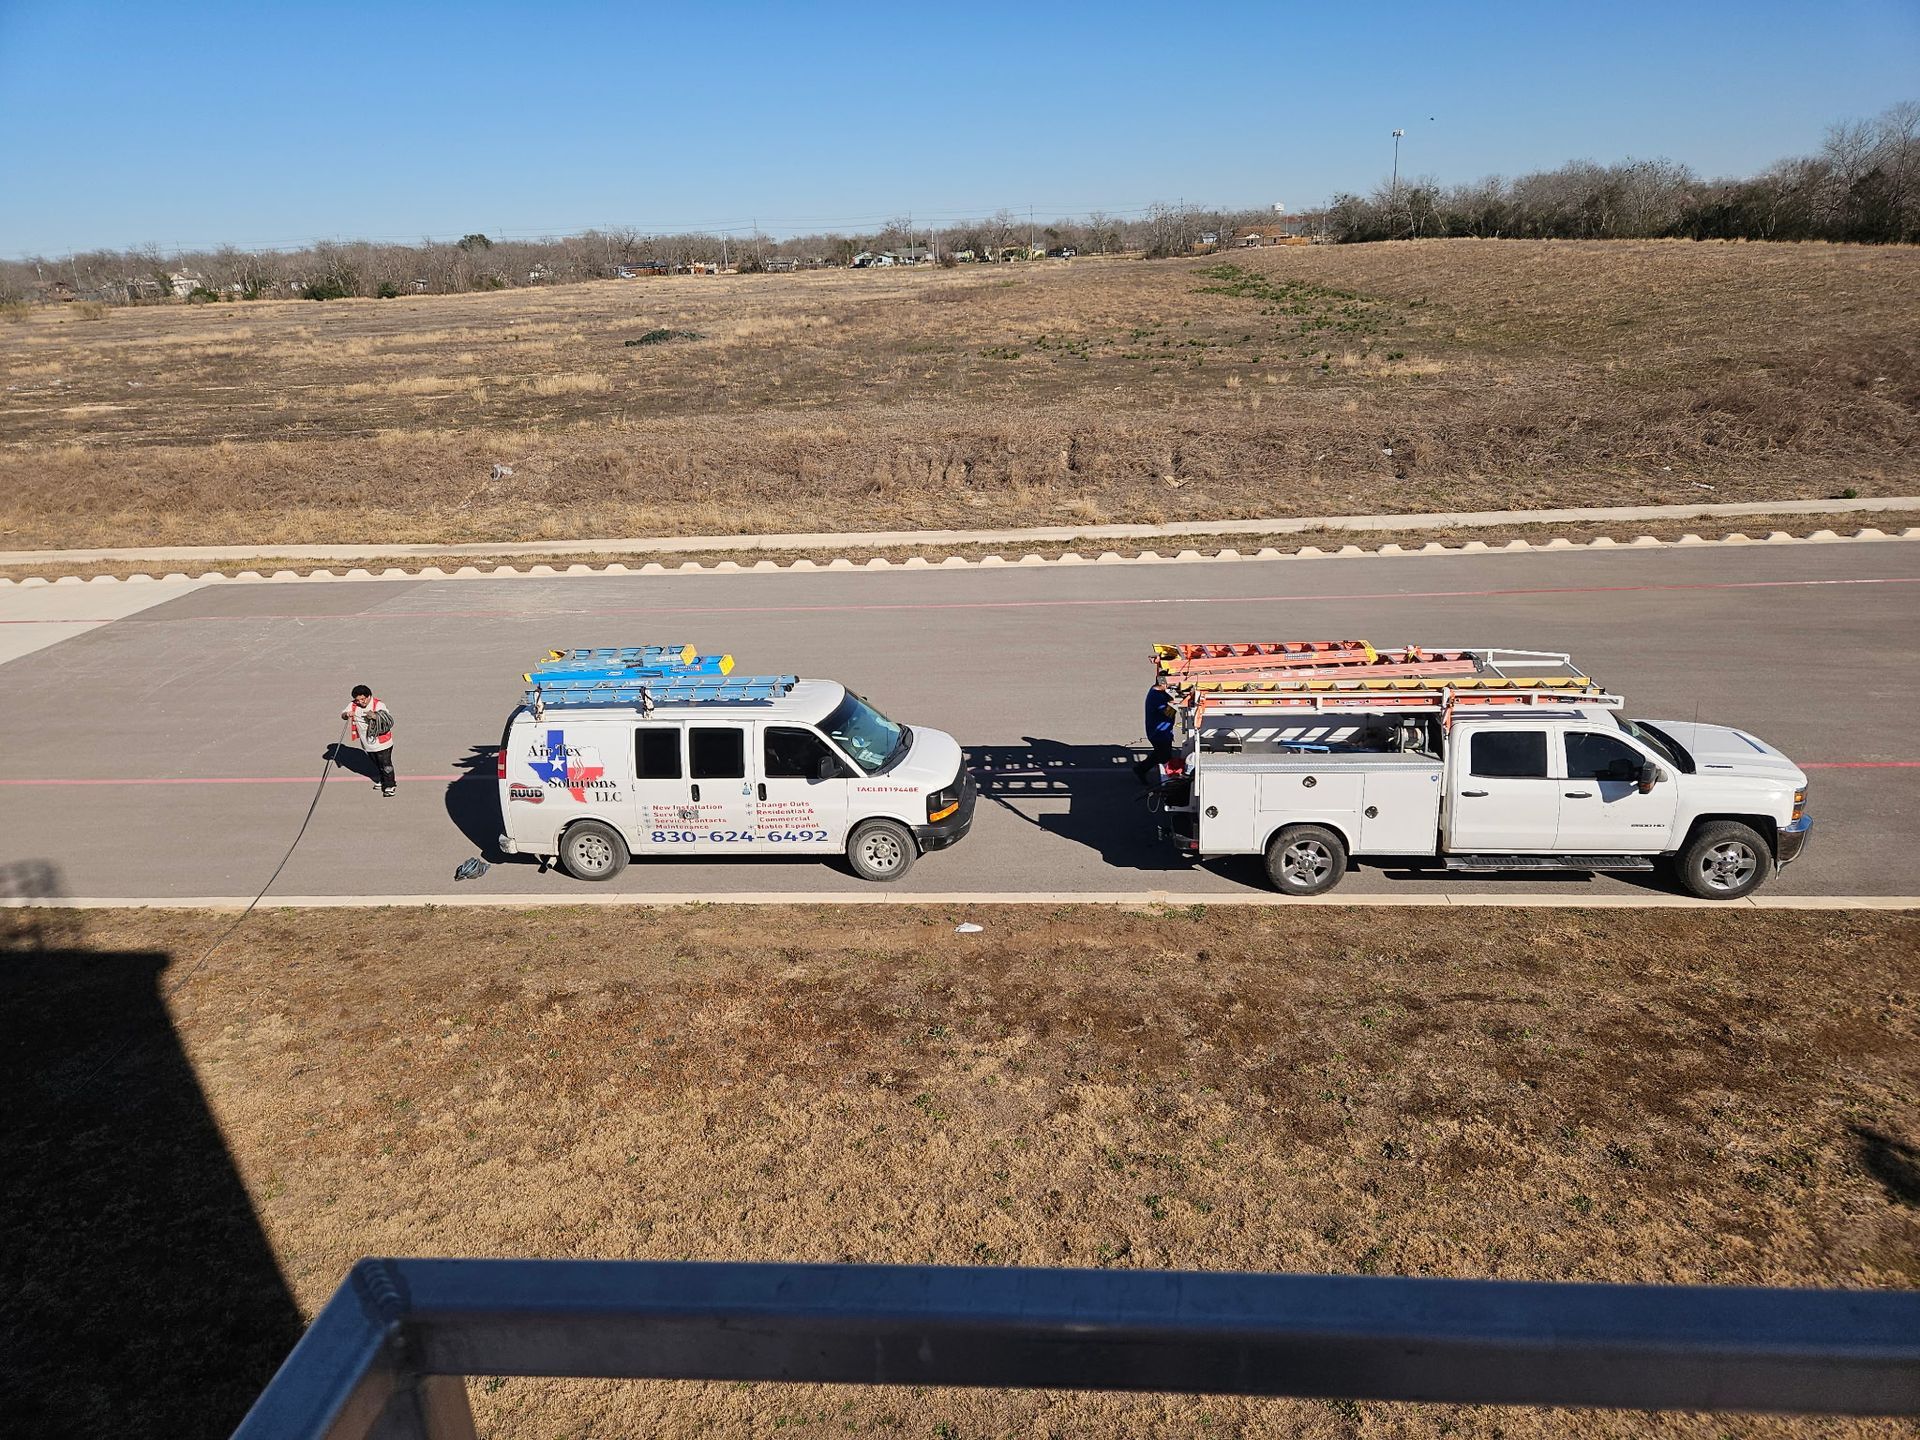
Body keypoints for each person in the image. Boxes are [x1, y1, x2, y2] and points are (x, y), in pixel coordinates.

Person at [341, 684, 396, 796]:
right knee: (376, 763)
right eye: (358, 700)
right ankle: (382, 780)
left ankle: (390, 785)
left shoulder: (378, 704)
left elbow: (387, 718)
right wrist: (347, 714)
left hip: (382, 743)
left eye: (363, 699)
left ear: (369, 696)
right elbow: (343, 715)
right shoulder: (353, 705)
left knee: (386, 765)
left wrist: (375, 716)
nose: (361, 702)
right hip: (367, 744)